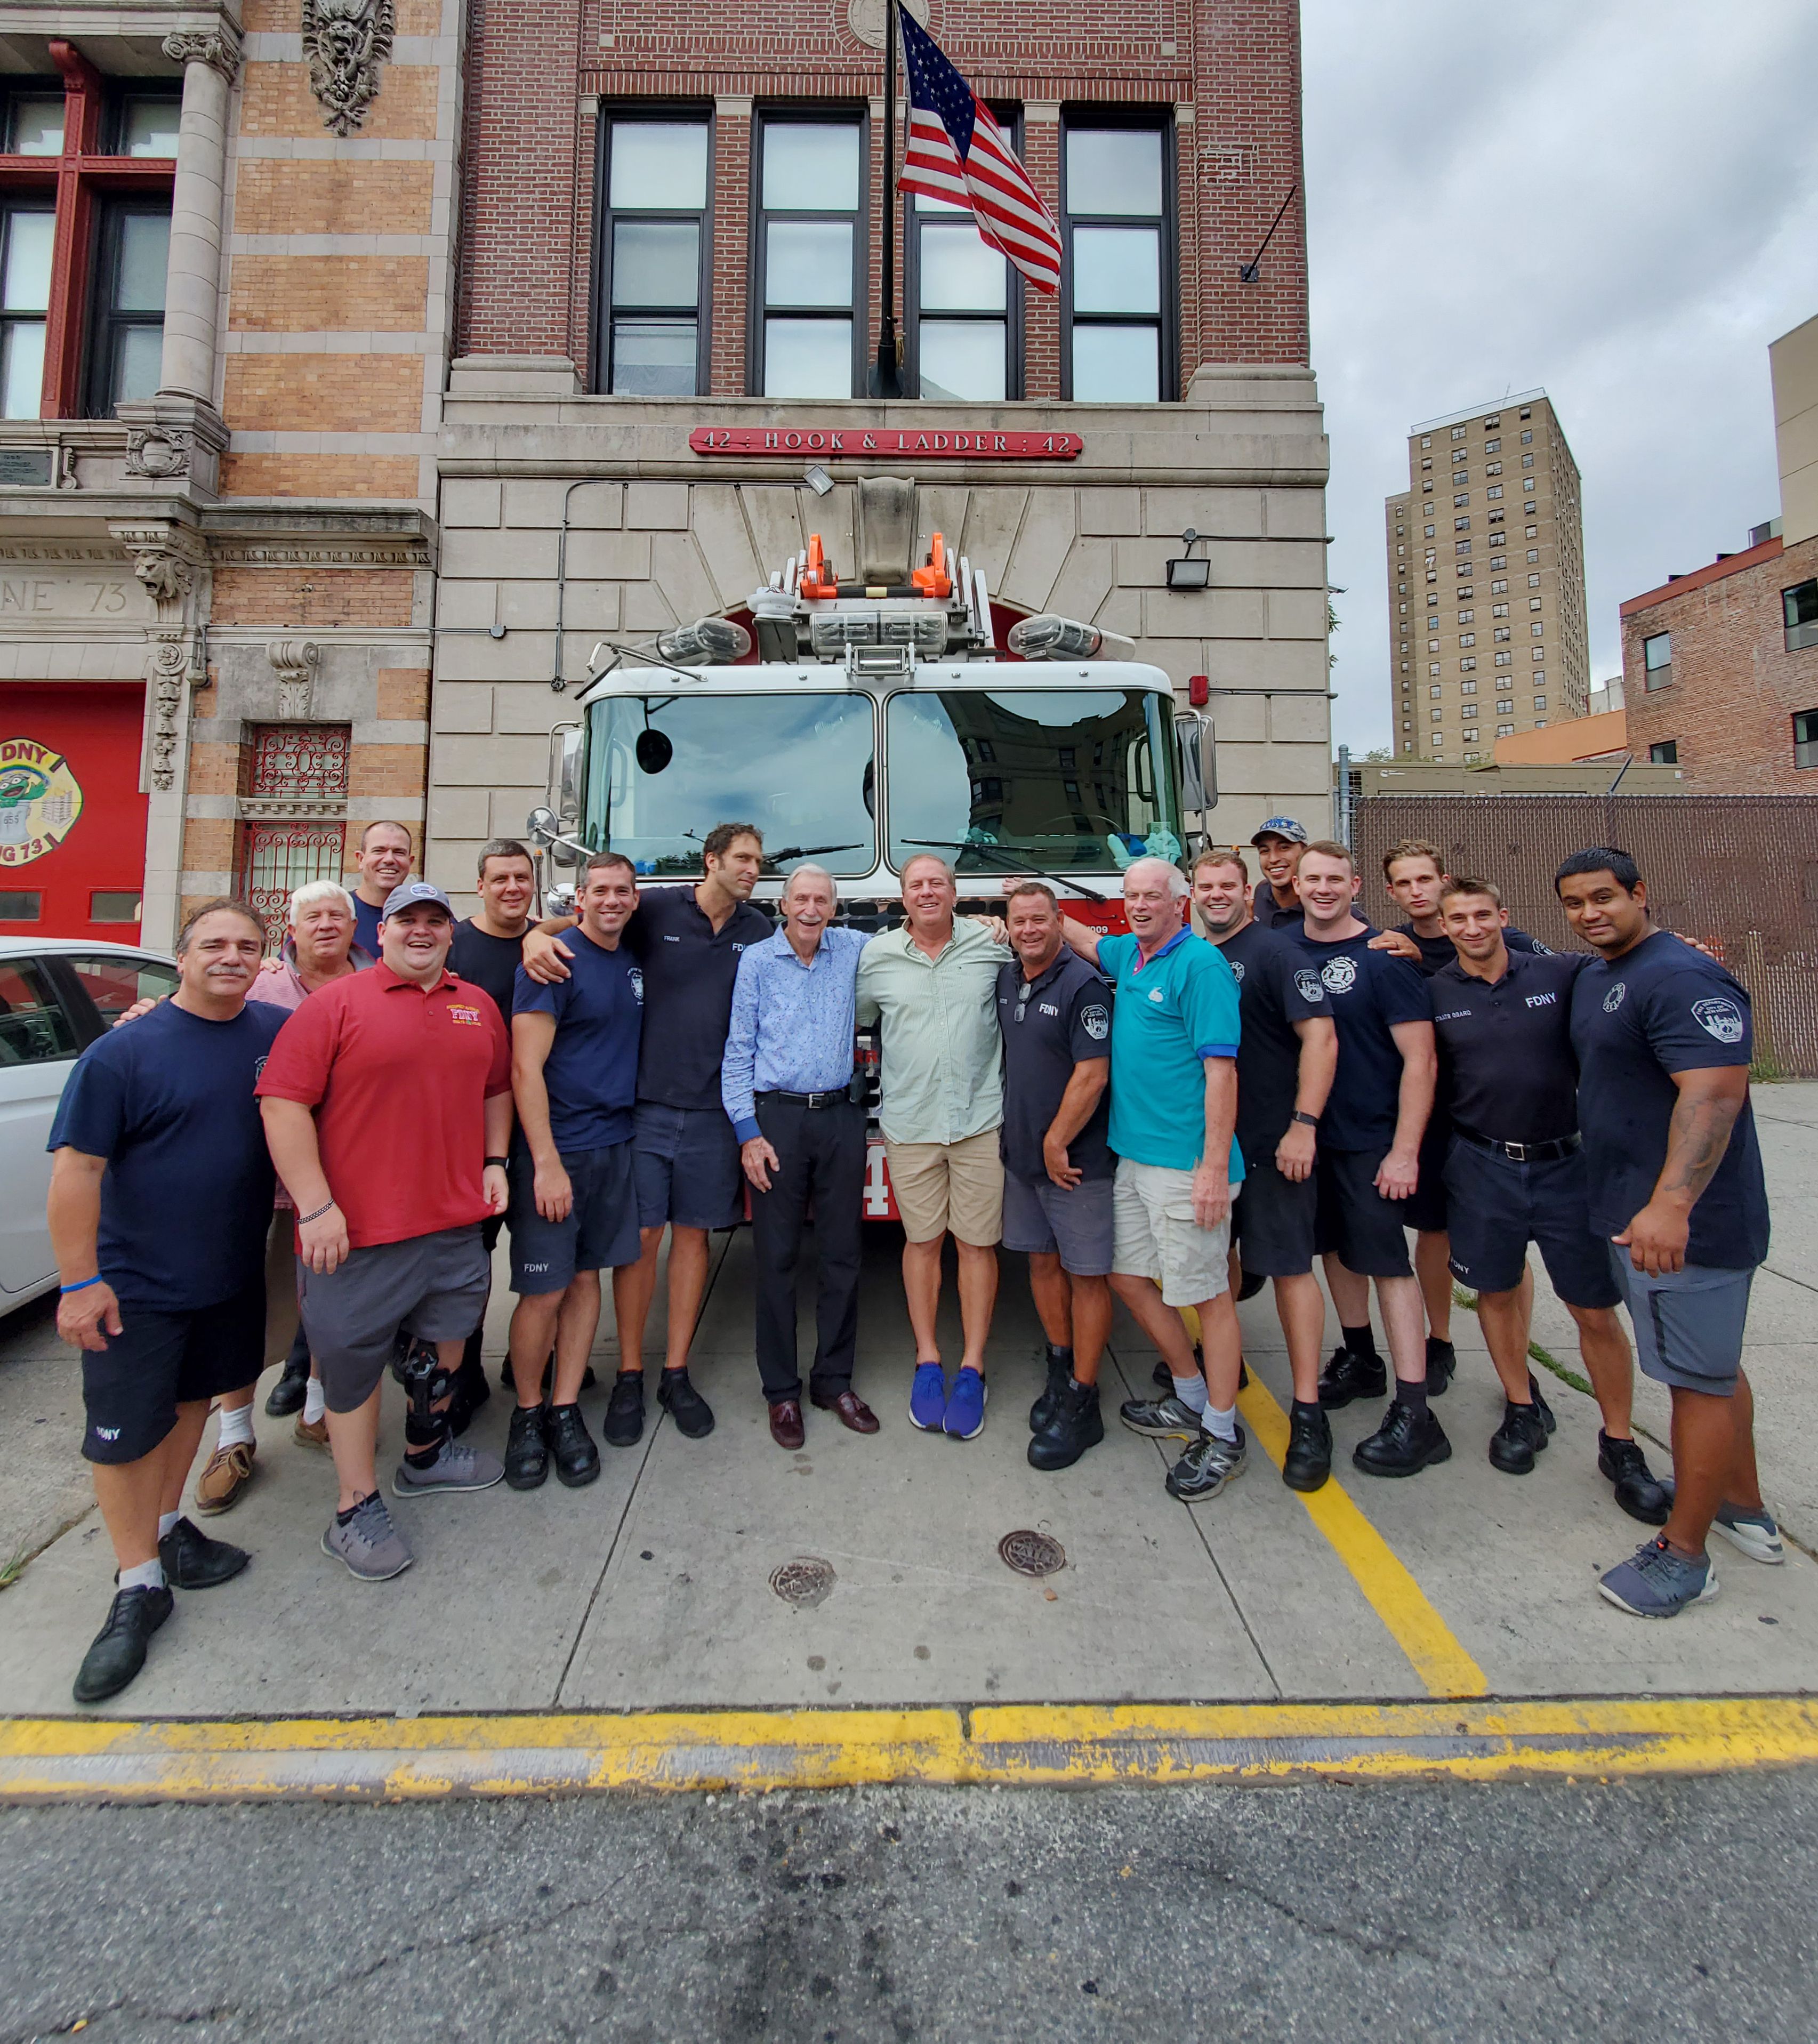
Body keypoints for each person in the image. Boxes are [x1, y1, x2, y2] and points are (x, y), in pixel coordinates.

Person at [47, 900, 285, 1704]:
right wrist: (79, 1283)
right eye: (214, 944)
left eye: (247, 946)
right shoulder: (125, 1053)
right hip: (134, 1287)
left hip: (227, 1275)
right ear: (180, 958)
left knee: (191, 1405)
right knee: (120, 1438)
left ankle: (165, 1528)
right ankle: (136, 1584)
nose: (231, 957)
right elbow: (77, 1172)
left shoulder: (269, 1036)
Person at [258, 880, 511, 1583]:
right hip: (358, 1231)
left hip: (454, 1221)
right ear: (386, 929)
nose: (422, 932)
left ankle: (427, 1453)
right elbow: (282, 1105)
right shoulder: (336, 1004)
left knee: (448, 1342)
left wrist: (494, 1161)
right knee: (353, 1365)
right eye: (408, 921)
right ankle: (354, 1503)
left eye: (435, 920)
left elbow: (497, 1088)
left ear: (450, 933)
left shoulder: (475, 1005)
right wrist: (314, 1205)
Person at [1558, 848, 1779, 1619]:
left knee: (1696, 1380)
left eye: (1604, 897)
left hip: (1688, 1228)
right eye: (1575, 902)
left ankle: (1685, 1557)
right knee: (1708, 1366)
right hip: (1631, 1215)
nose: (1590, 912)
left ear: (1639, 893)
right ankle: (1740, 1504)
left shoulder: (1681, 977)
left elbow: (1714, 1095)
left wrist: (1671, 1205)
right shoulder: (1601, 973)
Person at [523, 822, 770, 1446]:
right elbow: (586, 926)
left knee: (694, 1241)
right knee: (639, 1240)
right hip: (645, 1111)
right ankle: (630, 1372)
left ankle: (676, 1372)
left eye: (757, 861)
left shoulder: (758, 929)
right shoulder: (652, 905)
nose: (753, 869)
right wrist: (534, 936)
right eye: (743, 858)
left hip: (715, 1113)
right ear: (711, 861)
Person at [1428, 876, 1668, 1517]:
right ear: (1444, 927)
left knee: (1592, 1309)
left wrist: (1686, 955)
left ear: (1503, 916)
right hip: (1482, 1165)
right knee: (1496, 1293)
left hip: (1569, 1165)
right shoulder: (1434, 994)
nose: (1472, 928)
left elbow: (1636, 968)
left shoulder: (1563, 974)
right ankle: (1519, 1405)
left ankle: (1618, 1440)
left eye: (1482, 915)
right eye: (1459, 920)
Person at [1061, 858, 1248, 1503]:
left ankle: (1222, 1433)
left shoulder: (1200, 968)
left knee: (1207, 1297)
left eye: (1152, 897)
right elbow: (1084, 939)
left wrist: (1213, 1169)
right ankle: (1190, 1396)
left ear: (1181, 902)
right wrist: (1019, 908)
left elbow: (1222, 1072)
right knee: (1127, 1279)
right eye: (1131, 896)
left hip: (1185, 1165)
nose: (1140, 905)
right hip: (1132, 1157)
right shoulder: (1131, 958)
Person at [1369, 838, 1549, 1392]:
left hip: (1495, 1117)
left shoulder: (1498, 939)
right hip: (1432, 1113)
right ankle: (1439, 1339)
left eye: (1424, 879)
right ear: (1390, 892)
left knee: (1505, 1245)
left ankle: (1518, 1366)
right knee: (1432, 1232)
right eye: (1403, 883)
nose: (1415, 891)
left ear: (1444, 880)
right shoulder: (1390, 949)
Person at [1291, 841, 1444, 1477]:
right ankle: (1361, 1360)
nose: (1322, 889)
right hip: (1310, 1141)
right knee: (1334, 1251)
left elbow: (1420, 1060)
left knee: (1387, 1265)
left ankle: (1417, 1413)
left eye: (1334, 878)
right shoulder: (1286, 952)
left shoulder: (1384, 958)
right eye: (1311, 879)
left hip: (1371, 1140)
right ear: (1294, 887)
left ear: (1355, 885)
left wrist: (1405, 1151)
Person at [1190, 850, 1340, 1490]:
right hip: (1211, 1150)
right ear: (1190, 893)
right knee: (1216, 1265)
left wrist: (1303, 1126)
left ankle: (1307, 1410)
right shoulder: (1193, 956)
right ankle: (1228, 1370)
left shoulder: (1277, 954)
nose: (1216, 895)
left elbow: (1321, 1038)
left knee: (1286, 1270)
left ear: (1246, 891)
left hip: (1274, 1144)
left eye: (1227, 886)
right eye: (1206, 886)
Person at [856, 853, 1013, 1441]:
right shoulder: (876, 958)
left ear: (954, 893)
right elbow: (863, 1018)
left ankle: (971, 1367)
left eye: (937, 884)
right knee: (920, 1243)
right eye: (915, 885)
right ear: (902, 899)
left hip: (978, 1123)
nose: (926, 893)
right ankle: (927, 1360)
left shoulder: (989, 945)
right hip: (910, 1124)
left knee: (976, 1247)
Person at [502, 853, 646, 1488]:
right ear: (578, 898)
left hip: (616, 1145)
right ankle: (527, 1413)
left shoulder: (632, 961)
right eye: (601, 891)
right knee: (543, 1291)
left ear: (635, 900)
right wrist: (545, 1164)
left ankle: (564, 1409)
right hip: (558, 1150)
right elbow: (523, 1069)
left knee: (587, 1280)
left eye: (623, 891)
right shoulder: (551, 965)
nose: (612, 901)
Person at [723, 864, 879, 1449]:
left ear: (834, 907)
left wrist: (987, 929)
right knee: (776, 1259)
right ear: (783, 905)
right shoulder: (757, 962)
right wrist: (747, 1132)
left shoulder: (853, 948)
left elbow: (918, 931)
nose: (812, 909)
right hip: (776, 1121)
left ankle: (832, 1381)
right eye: (802, 899)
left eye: (822, 900)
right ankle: (781, 1393)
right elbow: (737, 1050)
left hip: (840, 1116)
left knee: (843, 1256)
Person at [248, 880, 375, 1457]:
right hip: (265, 1175)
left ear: (355, 928)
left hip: (350, 1171)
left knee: (334, 1295)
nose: (326, 925)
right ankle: (234, 1432)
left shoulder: (377, 981)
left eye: (337, 916)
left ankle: (318, 1404)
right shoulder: (258, 985)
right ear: (291, 931)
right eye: (313, 916)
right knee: (255, 1301)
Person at [995, 881, 1114, 1472]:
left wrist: (1055, 1140)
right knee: (1040, 1263)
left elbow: (1092, 1074)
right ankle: (1061, 1366)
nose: (1028, 930)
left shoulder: (1082, 985)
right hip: (1021, 1158)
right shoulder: (1007, 977)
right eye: (1018, 921)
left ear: (1059, 922)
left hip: (1073, 1163)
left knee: (1087, 1276)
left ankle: (1085, 1401)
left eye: (1039, 920)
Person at [445, 837, 547, 1427]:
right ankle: (462, 1374)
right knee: (471, 1259)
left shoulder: (549, 942)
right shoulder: (452, 945)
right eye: (500, 878)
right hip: (470, 1130)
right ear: (479, 886)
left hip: (537, 1126)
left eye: (521, 877)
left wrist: (541, 929)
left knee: (540, 1252)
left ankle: (528, 1356)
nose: (512, 887)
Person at [345, 819, 415, 957]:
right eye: (379, 851)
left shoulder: (430, 919)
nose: (389, 859)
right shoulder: (335, 914)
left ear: (410, 861)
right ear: (361, 859)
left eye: (399, 852)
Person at [1249, 817, 1309, 930]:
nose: (1273, 859)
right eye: (1265, 851)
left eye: (1284, 848)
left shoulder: (1319, 903)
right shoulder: (1262, 891)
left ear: (1305, 852)